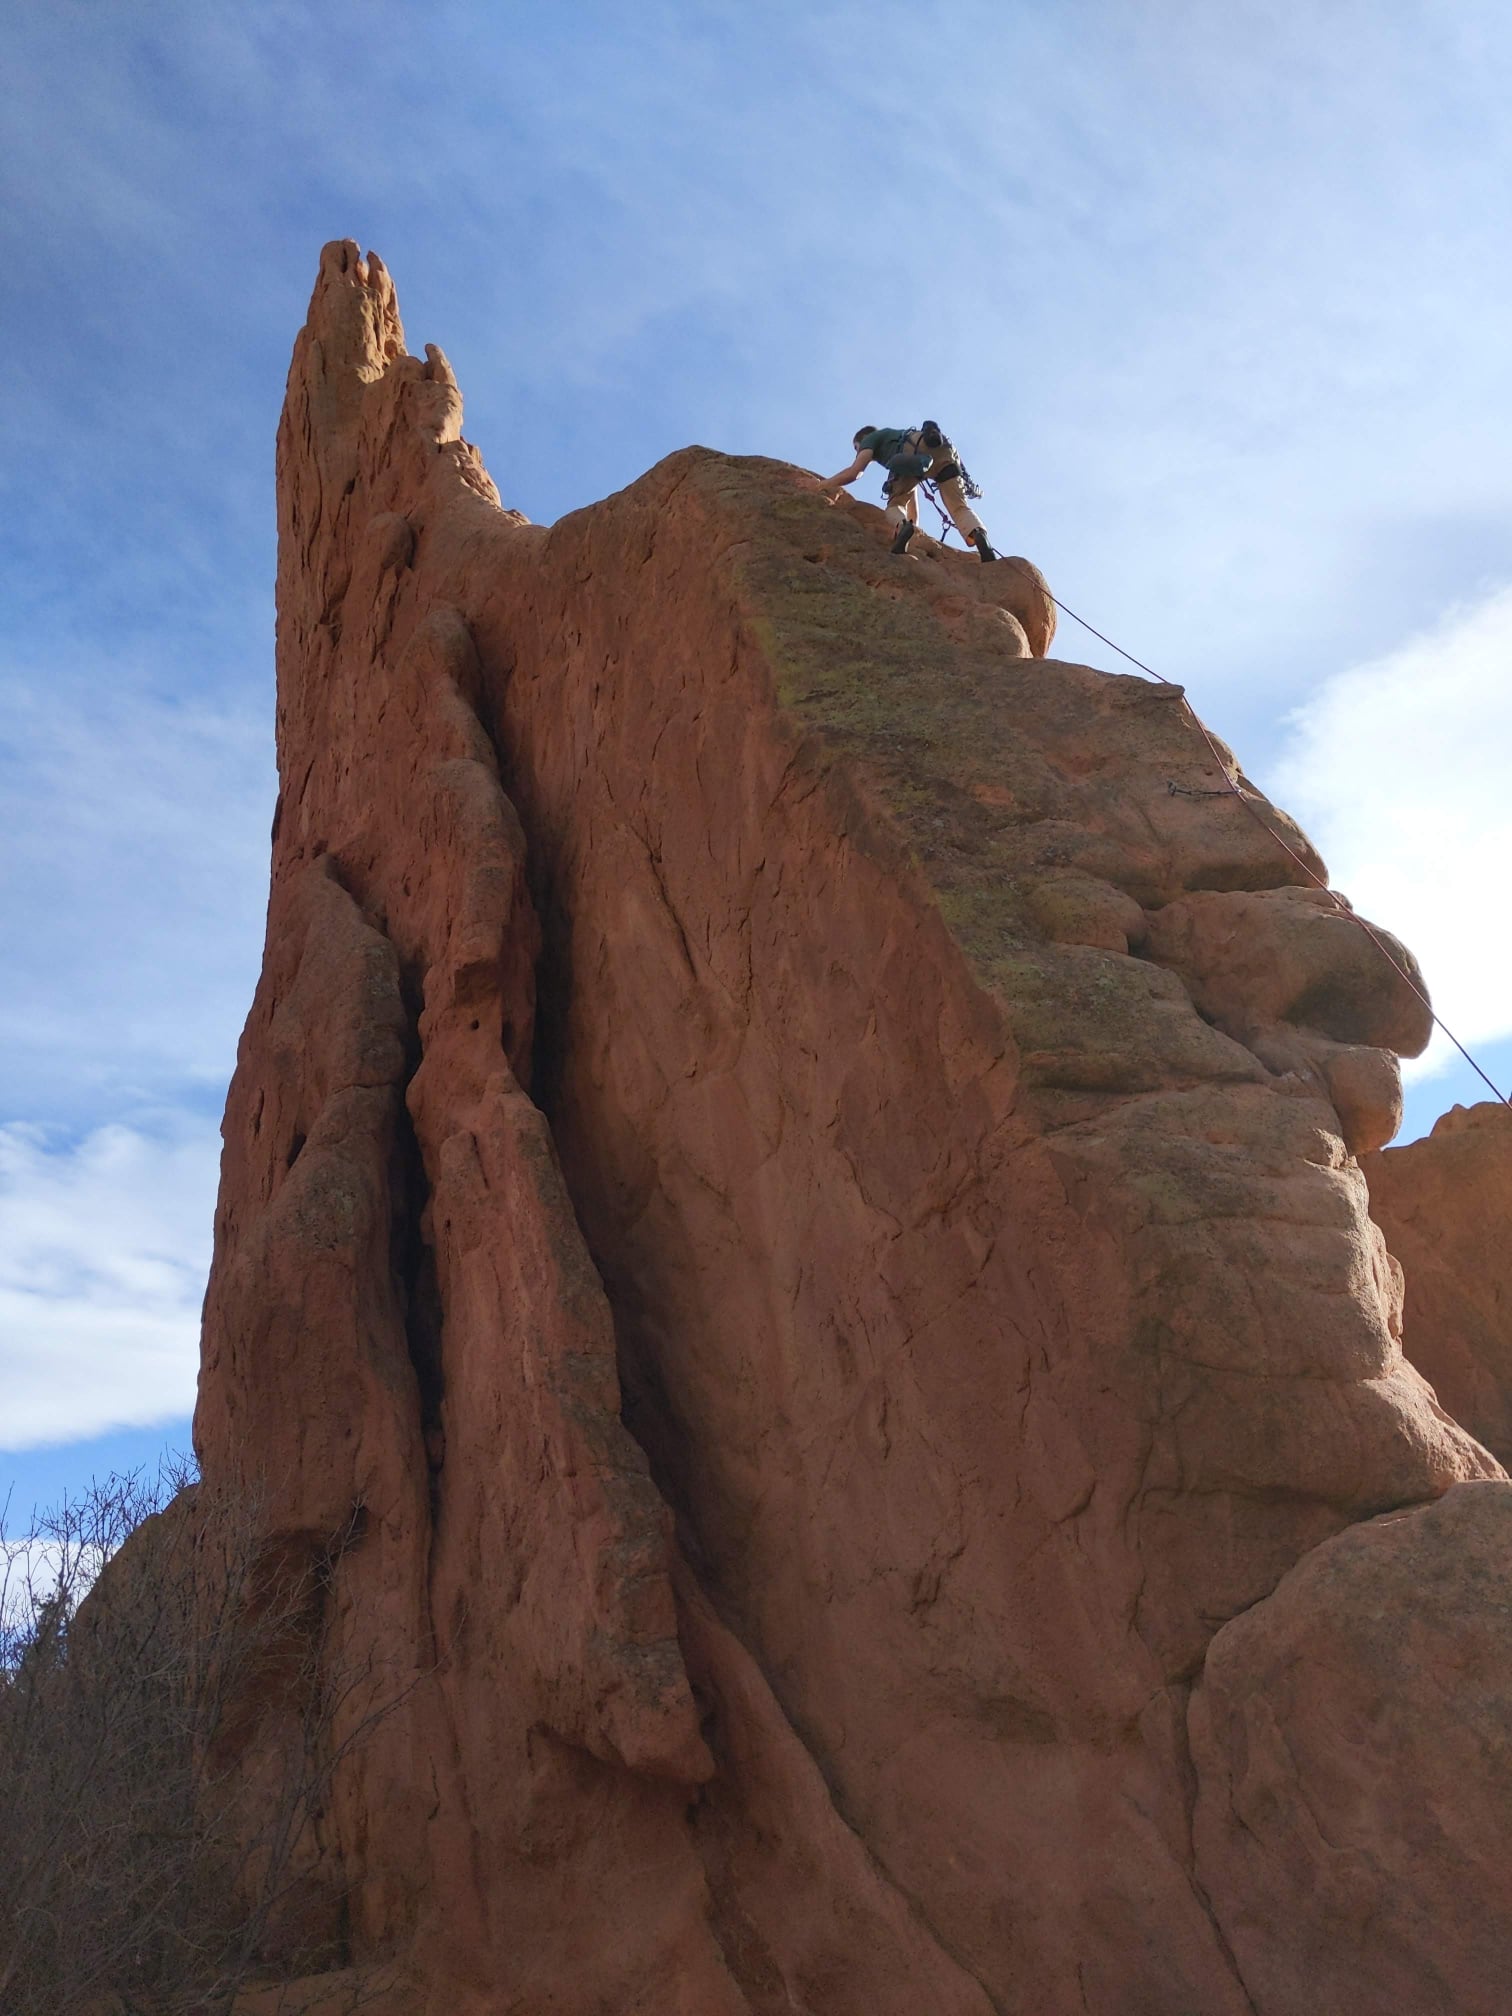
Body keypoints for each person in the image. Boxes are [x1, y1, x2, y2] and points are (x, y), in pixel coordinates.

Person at [820, 422, 999, 561]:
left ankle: (901, 524)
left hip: (911, 454)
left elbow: (855, 472)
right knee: (959, 508)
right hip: (943, 452)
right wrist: (914, 529)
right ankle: (978, 534)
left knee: (894, 505)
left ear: (862, 439)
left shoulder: (871, 439)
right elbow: (911, 495)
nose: (857, 452)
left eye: (856, 448)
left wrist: (820, 486)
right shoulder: (897, 434)